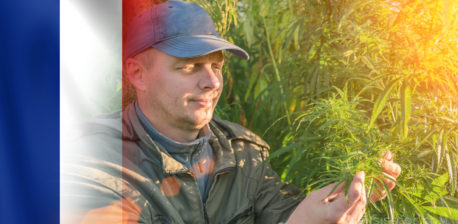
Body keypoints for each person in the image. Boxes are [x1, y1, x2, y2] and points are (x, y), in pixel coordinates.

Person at [61, 1, 401, 223]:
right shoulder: (92, 158)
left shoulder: (242, 152)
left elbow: (279, 212)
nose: (211, 81)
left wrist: (331, 205)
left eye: (216, 66)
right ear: (137, 74)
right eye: (189, 67)